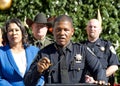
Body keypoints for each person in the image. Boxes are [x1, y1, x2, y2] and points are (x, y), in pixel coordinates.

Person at [24, 15, 108, 86]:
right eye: (58, 30)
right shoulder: (44, 53)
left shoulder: (82, 50)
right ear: (53, 31)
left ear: (72, 31)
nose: (62, 33)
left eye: (66, 30)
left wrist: (101, 79)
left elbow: (98, 69)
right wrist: (37, 70)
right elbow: (27, 82)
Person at [0, 18, 40, 86]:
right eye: (10, 31)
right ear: (6, 34)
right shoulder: (1, 53)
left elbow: (42, 74)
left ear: (22, 32)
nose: (14, 33)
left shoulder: (35, 51)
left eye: (17, 30)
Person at [81, 19, 120, 85]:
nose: (92, 29)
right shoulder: (80, 46)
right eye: (90, 27)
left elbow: (114, 66)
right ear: (86, 29)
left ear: (100, 30)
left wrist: (99, 77)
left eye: (95, 27)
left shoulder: (106, 45)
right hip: (85, 83)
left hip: (102, 83)